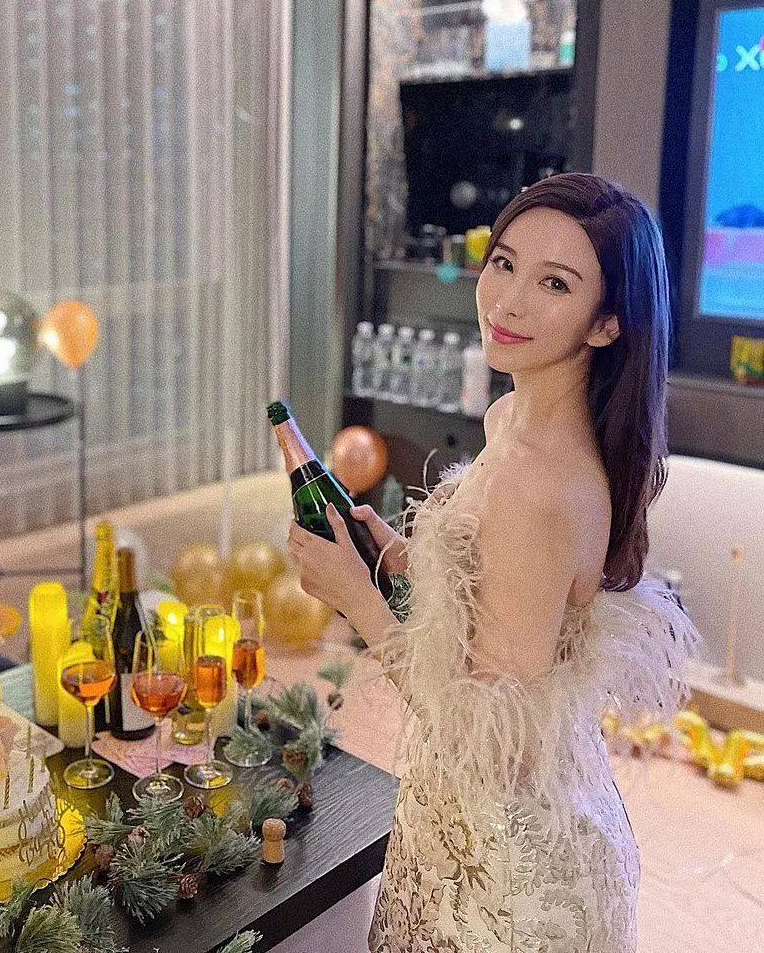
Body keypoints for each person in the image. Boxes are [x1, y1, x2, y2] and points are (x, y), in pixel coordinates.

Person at [288, 173, 697, 952]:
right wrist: (407, 561)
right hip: (484, 821)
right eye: (504, 263)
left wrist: (357, 598)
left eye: (554, 284)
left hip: (508, 870)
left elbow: (492, 744)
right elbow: (506, 591)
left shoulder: (535, 484)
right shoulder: (514, 418)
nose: (507, 302)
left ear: (607, 322)